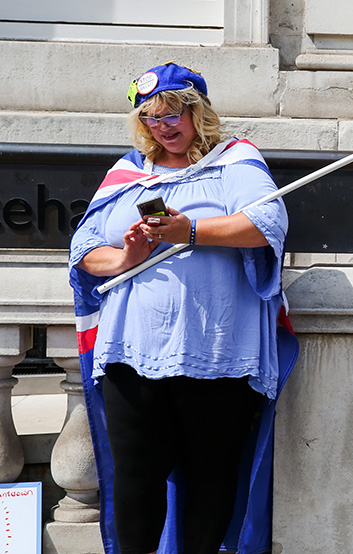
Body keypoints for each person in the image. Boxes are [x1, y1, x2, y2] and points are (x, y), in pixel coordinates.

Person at [68, 62, 298, 554]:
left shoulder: (235, 161)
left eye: (173, 113)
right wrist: (129, 255)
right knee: (134, 479)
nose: (164, 126)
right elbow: (84, 249)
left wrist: (188, 231)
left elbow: (266, 223)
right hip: (132, 352)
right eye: (151, 118)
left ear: (197, 111)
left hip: (216, 352)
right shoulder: (128, 172)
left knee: (210, 479)